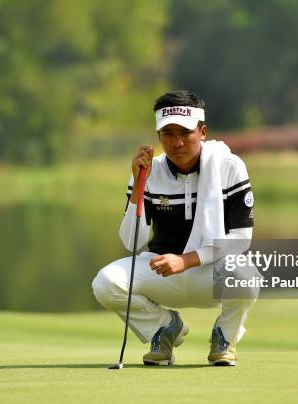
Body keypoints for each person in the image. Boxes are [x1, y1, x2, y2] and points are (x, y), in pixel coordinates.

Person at [92, 90, 256, 366]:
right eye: (168, 133)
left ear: (202, 131)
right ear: (158, 136)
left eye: (185, 132)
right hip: (161, 270)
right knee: (106, 283)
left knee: (246, 276)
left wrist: (186, 260)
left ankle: (224, 337)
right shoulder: (148, 171)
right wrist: (138, 184)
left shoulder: (230, 167)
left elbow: (240, 240)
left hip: (209, 271)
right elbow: (132, 242)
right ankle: (164, 328)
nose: (177, 142)